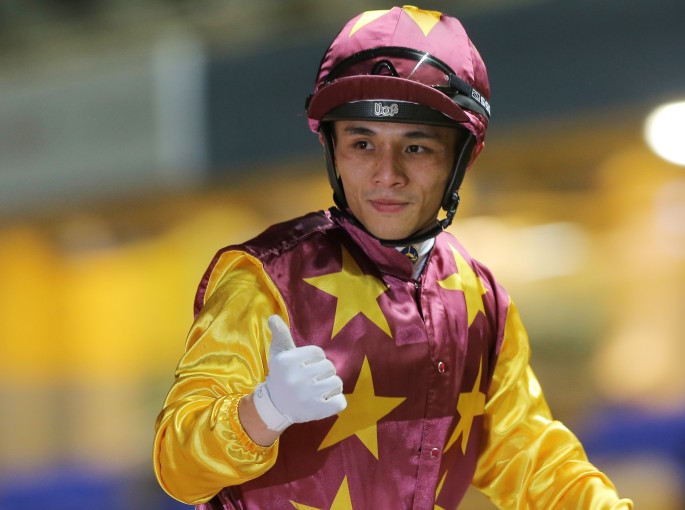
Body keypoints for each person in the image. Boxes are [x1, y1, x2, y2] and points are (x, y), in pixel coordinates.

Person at [153, 5, 633, 509]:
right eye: (362, 143)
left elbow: (527, 452)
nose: (387, 174)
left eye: (417, 147)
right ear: (333, 151)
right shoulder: (263, 280)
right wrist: (264, 410)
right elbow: (177, 469)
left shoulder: (479, 297)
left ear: (462, 156)